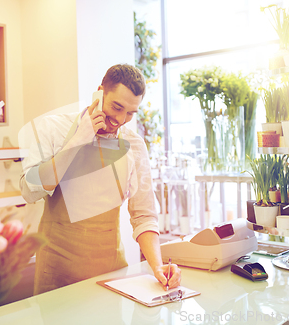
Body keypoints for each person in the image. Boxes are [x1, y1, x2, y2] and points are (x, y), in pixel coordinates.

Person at [20, 63, 181, 295]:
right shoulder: (54, 129)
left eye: (130, 113)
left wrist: (158, 267)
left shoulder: (134, 145)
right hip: (57, 277)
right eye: (116, 107)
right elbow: (29, 191)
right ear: (99, 93)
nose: (120, 119)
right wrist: (77, 141)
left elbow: (143, 215)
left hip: (111, 275)